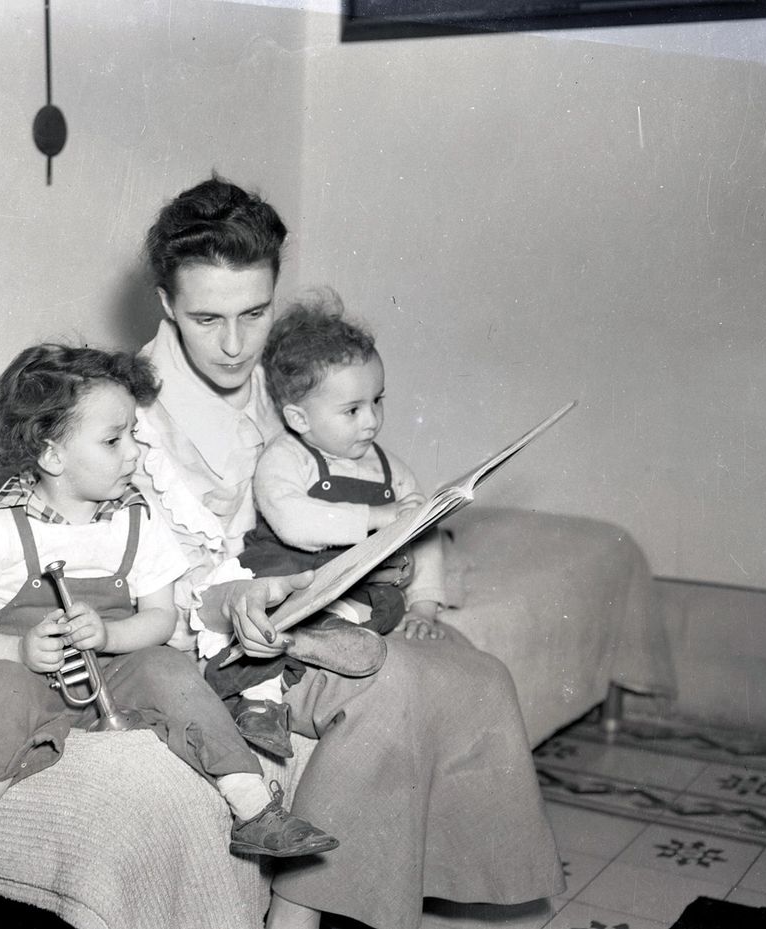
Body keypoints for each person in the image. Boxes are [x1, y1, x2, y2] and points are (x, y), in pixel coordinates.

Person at [131, 176, 565, 929]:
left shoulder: (279, 377)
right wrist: (245, 601)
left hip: (320, 598)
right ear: (166, 303)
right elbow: (154, 575)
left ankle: (432, 890)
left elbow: (352, 465)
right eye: (207, 318)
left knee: (479, 675)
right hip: (230, 629)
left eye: (255, 313)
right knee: (389, 686)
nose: (235, 345)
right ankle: (294, 918)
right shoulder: (134, 415)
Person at [0, 343, 338, 898]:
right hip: (29, 668)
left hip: (119, 664)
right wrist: (17, 652)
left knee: (171, 671)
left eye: (133, 433)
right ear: (52, 456)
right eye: (113, 439)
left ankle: (254, 808)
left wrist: (113, 635)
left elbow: (159, 616)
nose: (134, 452)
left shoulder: (136, 518)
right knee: (0, 691)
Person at [205, 294, 467, 759]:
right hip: (295, 573)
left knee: (382, 603)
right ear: (298, 418)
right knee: (266, 605)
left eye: (377, 401)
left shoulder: (393, 470)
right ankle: (259, 703)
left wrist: (425, 605)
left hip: (358, 589)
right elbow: (293, 521)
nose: (371, 421)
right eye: (352, 410)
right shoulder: (287, 457)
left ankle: (317, 637)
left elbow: (423, 536)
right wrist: (381, 518)